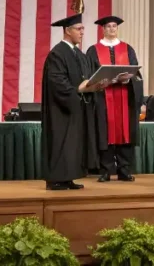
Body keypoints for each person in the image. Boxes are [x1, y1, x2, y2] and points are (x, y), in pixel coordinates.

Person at [41, 11, 108, 191]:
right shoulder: (57, 54)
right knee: (61, 143)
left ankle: (68, 178)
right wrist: (80, 89)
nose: (82, 32)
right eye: (78, 29)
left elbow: (86, 77)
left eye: (83, 28)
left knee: (74, 145)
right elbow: (57, 82)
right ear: (67, 30)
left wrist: (96, 85)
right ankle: (56, 179)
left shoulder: (78, 54)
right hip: (61, 110)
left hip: (77, 108)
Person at [85, 16, 143, 182]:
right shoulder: (93, 50)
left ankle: (124, 169)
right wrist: (99, 82)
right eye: (108, 26)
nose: (112, 29)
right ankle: (106, 170)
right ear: (103, 29)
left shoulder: (127, 49)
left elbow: (136, 73)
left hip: (125, 97)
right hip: (103, 98)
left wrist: (128, 79)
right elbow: (89, 74)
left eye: (114, 26)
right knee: (105, 133)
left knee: (125, 132)